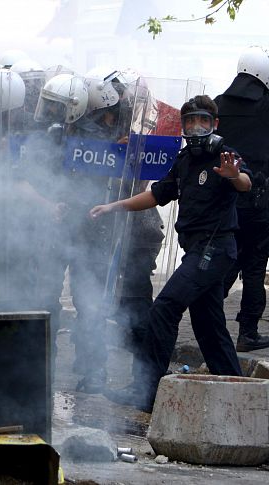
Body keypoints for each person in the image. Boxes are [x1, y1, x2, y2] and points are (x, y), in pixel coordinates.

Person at [92, 95, 249, 412]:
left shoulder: (223, 154)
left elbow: (244, 182)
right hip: (196, 249)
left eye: (202, 120)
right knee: (208, 324)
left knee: (164, 307)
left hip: (214, 248)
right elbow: (156, 195)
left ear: (214, 123)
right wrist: (115, 206)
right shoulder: (185, 159)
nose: (196, 126)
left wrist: (233, 175)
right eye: (190, 121)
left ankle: (146, 391)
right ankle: (238, 396)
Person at [216, 45, 269, 351]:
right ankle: (247, 332)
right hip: (258, 203)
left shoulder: (218, 104)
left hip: (224, 202)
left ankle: (206, 319)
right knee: (253, 268)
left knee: (225, 263)